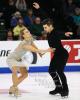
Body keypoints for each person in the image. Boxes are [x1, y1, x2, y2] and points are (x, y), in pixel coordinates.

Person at [6, 28, 52, 97]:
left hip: (19, 59)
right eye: (26, 32)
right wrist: (47, 50)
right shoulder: (24, 44)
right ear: (23, 35)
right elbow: (34, 50)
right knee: (14, 70)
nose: (29, 32)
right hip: (12, 59)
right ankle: (15, 89)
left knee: (25, 74)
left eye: (28, 31)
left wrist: (40, 54)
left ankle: (12, 87)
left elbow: (34, 46)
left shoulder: (30, 39)